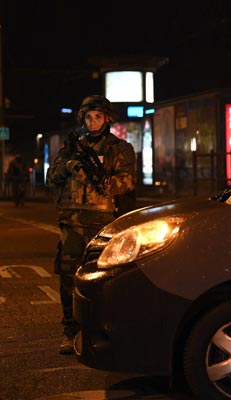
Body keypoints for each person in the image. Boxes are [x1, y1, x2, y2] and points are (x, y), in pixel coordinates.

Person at [46, 95, 136, 354]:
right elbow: (52, 176)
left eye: (98, 116)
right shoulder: (73, 148)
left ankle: (104, 329)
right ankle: (70, 331)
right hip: (71, 223)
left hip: (102, 224)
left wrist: (98, 180)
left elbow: (126, 183)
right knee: (68, 277)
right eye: (88, 117)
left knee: (104, 279)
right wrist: (70, 167)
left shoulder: (118, 148)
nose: (93, 122)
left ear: (107, 118)